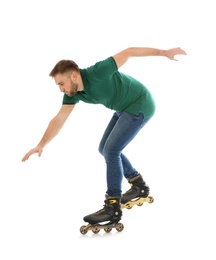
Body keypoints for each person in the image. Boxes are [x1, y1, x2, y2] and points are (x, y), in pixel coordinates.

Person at [22, 47, 186, 225]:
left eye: (62, 83)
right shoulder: (73, 93)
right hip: (123, 109)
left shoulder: (98, 71)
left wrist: (163, 53)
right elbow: (59, 119)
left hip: (140, 104)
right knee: (104, 149)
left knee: (111, 150)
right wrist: (41, 144)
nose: (61, 89)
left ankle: (112, 206)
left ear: (74, 76)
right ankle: (138, 185)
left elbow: (129, 52)